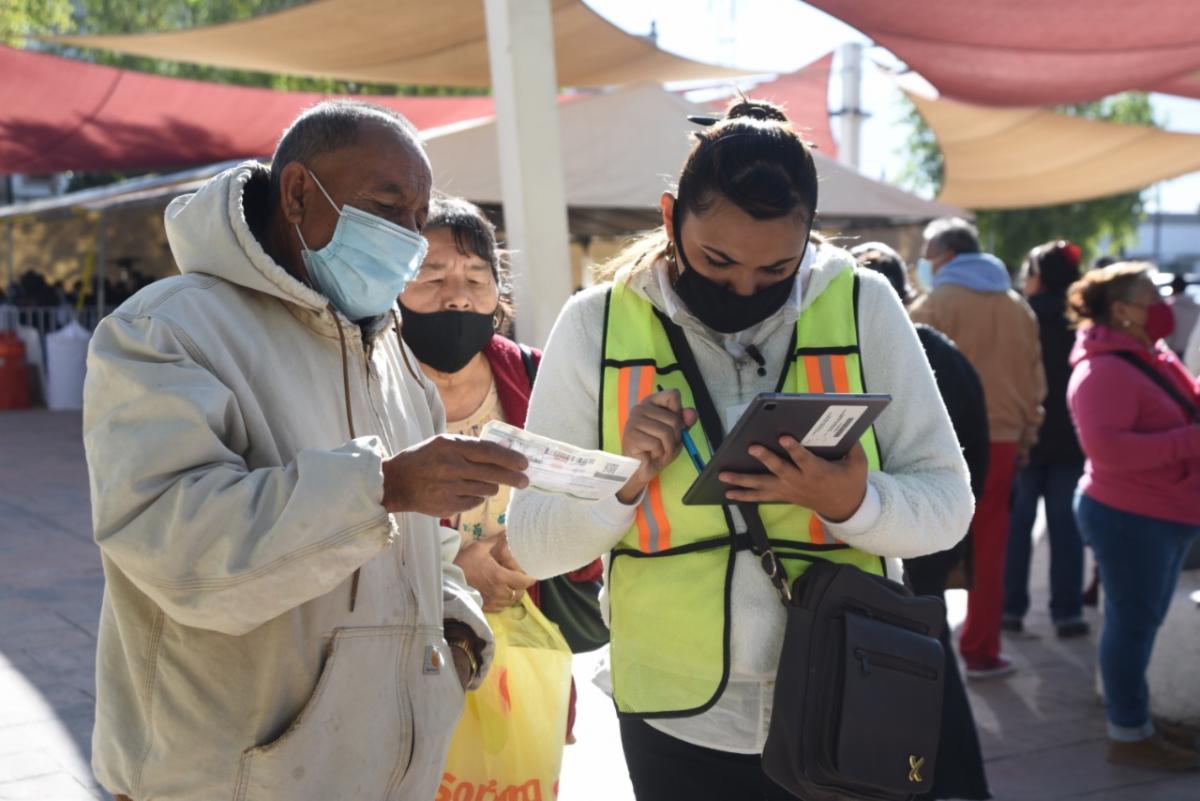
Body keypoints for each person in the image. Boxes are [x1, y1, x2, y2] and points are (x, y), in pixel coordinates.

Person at [507, 99, 975, 801]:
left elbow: (948, 508)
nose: (745, 288)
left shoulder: (863, 304)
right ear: (671, 216)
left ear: (810, 234)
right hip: (674, 711)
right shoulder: (594, 324)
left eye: (777, 268)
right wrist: (622, 483)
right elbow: (534, 544)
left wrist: (855, 502)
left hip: (845, 692)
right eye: (717, 260)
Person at [81, 101, 532, 801]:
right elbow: (175, 545)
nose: (407, 238)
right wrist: (383, 487)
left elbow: (416, 549)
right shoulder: (167, 330)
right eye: (387, 207)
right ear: (297, 193)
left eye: (418, 218)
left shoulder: (390, 352)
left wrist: (456, 632)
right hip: (228, 781)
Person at [397, 194, 602, 742]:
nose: (457, 297)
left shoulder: (538, 377)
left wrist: (528, 552)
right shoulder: (367, 385)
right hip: (399, 665)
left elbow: (584, 501)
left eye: (476, 278)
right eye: (432, 277)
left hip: (524, 662)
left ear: (497, 293)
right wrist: (455, 576)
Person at [853, 242, 991, 801]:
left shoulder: (889, 354)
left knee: (914, 667)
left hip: (898, 540)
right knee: (929, 661)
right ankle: (958, 783)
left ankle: (929, 783)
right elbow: (978, 446)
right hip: (926, 537)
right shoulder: (939, 350)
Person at [1067, 262, 1200, 772]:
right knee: (1132, 627)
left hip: (1161, 514)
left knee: (1142, 623)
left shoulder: (1150, 353)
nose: (1164, 307)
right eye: (1152, 298)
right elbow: (1110, 451)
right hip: (1131, 517)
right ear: (1123, 311)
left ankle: (1138, 719)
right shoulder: (1103, 371)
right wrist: (1191, 440)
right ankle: (1128, 733)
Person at [910, 217, 1046, 680]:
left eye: (927, 254)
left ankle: (918, 650)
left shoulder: (933, 304)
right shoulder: (1017, 306)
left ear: (947, 256)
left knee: (923, 545)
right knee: (990, 549)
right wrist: (1027, 434)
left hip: (943, 439)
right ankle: (982, 649)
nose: (923, 263)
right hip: (1003, 439)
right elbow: (1035, 380)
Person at [1003, 241, 1089, 639]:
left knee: (1017, 527)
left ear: (1038, 276)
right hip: (1073, 437)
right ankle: (1067, 613)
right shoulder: (1083, 320)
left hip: (1027, 435)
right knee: (1066, 530)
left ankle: (1010, 609)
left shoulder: (1024, 314)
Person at [1165, 274, 1199, 358]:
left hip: (1175, 352)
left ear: (1173, 288)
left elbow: (1168, 334)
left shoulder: (1169, 308)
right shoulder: (1197, 307)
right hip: (1195, 352)